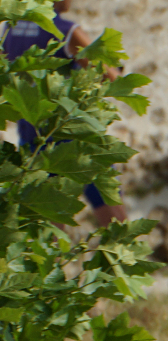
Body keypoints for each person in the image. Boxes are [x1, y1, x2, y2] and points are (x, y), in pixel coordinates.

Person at [2, 0, 128, 227]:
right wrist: (115, 70)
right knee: (115, 223)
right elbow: (111, 79)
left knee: (48, 233)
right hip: (73, 140)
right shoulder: (65, 30)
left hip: (34, 141)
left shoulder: (11, 28)